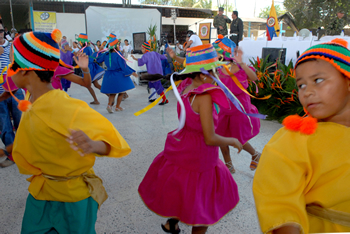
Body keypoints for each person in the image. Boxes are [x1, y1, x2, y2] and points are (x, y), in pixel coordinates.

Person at [8, 29, 131, 233]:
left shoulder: (69, 108)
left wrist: (92, 145)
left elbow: (113, 142)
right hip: (41, 194)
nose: (9, 70)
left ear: (25, 70)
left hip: (73, 199)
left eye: (13, 64)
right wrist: (9, 150)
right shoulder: (30, 100)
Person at [138, 44, 242, 234]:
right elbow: (210, 138)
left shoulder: (186, 88)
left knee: (184, 188)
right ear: (203, 75)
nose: (218, 73)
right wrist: (232, 141)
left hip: (183, 147)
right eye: (215, 71)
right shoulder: (204, 97)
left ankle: (171, 224)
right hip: (201, 154)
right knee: (202, 205)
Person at [253, 38, 350, 233]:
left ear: (347, 80)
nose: (307, 92)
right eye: (301, 85)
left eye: (318, 80)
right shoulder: (294, 138)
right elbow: (276, 197)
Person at [213, 35, 262, 173]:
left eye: (216, 53)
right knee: (221, 136)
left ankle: (255, 154)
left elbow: (254, 77)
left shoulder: (239, 67)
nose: (215, 56)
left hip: (239, 108)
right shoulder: (217, 69)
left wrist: (242, 64)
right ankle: (228, 165)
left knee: (237, 138)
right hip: (224, 107)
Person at [0, 20, 24, 168]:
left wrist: (12, 58)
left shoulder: (11, 47)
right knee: (4, 126)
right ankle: (13, 154)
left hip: (15, 91)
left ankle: (24, 151)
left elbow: (20, 66)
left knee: (22, 122)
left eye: (1, 31)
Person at [96, 38, 136, 113]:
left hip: (108, 75)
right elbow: (123, 66)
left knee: (112, 92)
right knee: (121, 92)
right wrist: (131, 72)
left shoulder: (106, 54)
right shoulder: (119, 55)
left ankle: (109, 105)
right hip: (118, 75)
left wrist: (100, 50)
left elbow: (98, 60)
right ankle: (117, 106)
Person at [77, 33, 105, 104]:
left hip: (89, 68)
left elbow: (89, 59)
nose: (79, 42)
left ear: (82, 41)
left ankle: (108, 96)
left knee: (88, 85)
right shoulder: (85, 48)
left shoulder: (87, 49)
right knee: (95, 85)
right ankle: (107, 96)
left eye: (79, 41)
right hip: (88, 67)